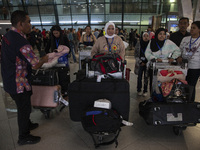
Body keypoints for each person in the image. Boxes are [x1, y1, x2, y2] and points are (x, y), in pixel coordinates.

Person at [1, 10, 48, 145]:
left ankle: (27, 124)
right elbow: (35, 65)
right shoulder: (21, 41)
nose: (30, 24)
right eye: (28, 22)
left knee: (23, 105)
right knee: (24, 108)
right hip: (18, 82)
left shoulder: (8, 35)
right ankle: (23, 136)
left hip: (10, 79)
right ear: (21, 24)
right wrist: (44, 59)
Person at [145, 28, 181, 92]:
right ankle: (153, 96)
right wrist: (155, 58)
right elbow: (147, 53)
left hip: (165, 67)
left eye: (164, 34)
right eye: (160, 34)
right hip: (154, 66)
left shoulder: (168, 42)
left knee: (164, 83)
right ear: (156, 35)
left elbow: (178, 50)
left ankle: (163, 96)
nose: (162, 36)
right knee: (153, 83)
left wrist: (173, 57)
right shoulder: (152, 42)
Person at [180, 21, 200, 102]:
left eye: (194, 28)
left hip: (195, 67)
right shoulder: (185, 39)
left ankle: (190, 103)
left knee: (191, 86)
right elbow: (179, 50)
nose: (191, 29)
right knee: (183, 84)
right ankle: (182, 100)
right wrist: (179, 57)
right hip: (183, 66)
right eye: (191, 27)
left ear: (199, 30)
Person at [135, 32, 149, 96]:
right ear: (142, 37)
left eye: (147, 36)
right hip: (140, 63)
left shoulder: (150, 44)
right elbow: (136, 54)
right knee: (139, 77)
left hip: (147, 64)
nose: (146, 37)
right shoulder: (138, 43)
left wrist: (147, 62)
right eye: (144, 36)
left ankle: (145, 90)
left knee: (146, 77)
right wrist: (140, 61)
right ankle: (139, 89)